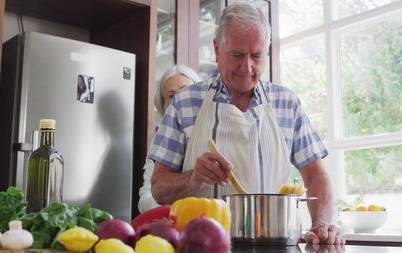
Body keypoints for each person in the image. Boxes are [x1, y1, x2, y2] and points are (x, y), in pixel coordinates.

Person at [148, 3, 345, 245]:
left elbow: (315, 175)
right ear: (217, 49)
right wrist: (193, 178)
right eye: (238, 55)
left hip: (274, 245)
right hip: (200, 247)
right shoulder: (184, 103)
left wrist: (321, 224)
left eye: (256, 55)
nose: (247, 66)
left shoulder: (286, 103)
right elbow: (158, 188)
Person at [138, 65, 200, 213]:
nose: (180, 100)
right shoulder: (159, 142)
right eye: (172, 95)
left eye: (186, 91)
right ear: (164, 106)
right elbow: (145, 198)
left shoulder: (213, 131)